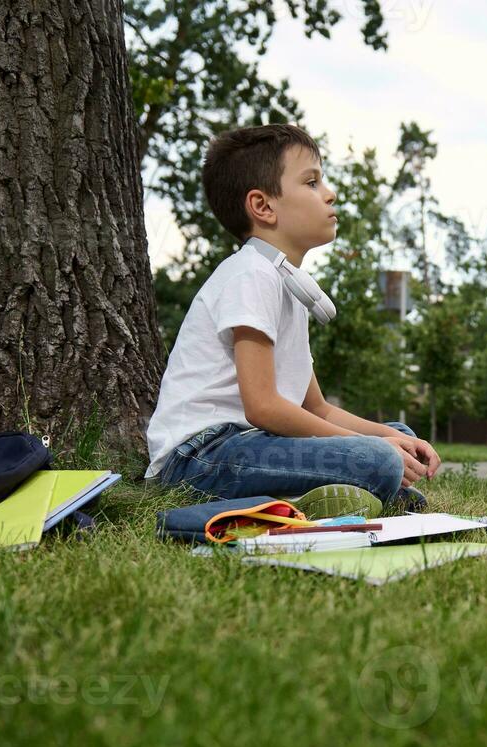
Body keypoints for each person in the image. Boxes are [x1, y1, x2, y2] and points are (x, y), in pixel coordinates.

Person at [144, 124, 439, 518]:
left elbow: (318, 409)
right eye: (312, 182)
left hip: (252, 445)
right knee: (379, 459)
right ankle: (317, 497)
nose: (330, 193)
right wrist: (372, 449)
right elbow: (263, 406)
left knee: (400, 437)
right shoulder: (251, 274)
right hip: (201, 458)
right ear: (263, 207)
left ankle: (351, 489)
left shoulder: (288, 286)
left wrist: (386, 438)